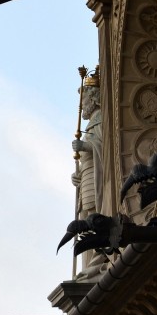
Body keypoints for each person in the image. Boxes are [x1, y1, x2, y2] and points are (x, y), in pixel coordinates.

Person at [71, 73, 107, 280]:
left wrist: (85, 146)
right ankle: (90, 264)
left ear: (93, 98)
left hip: (96, 182)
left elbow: (104, 148)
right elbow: (89, 160)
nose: (81, 105)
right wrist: (78, 176)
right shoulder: (92, 122)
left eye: (84, 99)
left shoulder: (101, 118)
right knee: (86, 223)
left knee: (94, 221)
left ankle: (97, 262)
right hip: (88, 181)